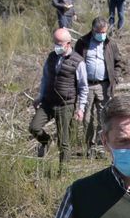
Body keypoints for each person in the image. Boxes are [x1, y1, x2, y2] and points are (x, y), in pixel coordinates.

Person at [29, 28, 88, 168]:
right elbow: (45, 78)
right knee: (34, 127)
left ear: (68, 43)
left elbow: (83, 87)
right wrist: (40, 96)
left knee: (64, 141)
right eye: (55, 42)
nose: (57, 46)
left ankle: (63, 172)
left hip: (65, 104)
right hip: (48, 102)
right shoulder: (52, 57)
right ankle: (46, 141)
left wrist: (81, 108)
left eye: (59, 43)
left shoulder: (78, 62)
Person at [74, 18, 125, 154]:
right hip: (87, 86)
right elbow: (75, 62)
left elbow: (119, 62)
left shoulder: (110, 44)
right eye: (100, 32)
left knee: (103, 116)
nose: (102, 35)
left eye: (104, 32)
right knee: (86, 117)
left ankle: (101, 144)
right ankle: (89, 145)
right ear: (93, 30)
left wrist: (116, 76)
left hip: (104, 86)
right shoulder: (82, 43)